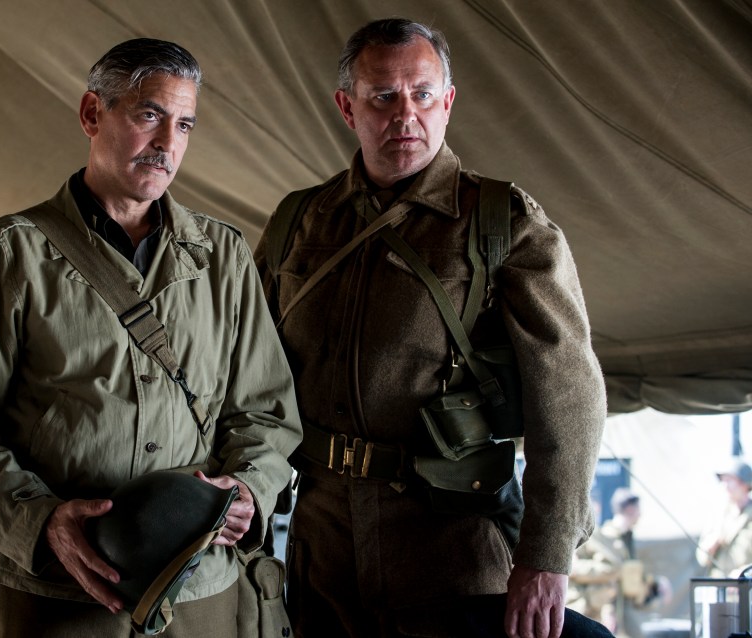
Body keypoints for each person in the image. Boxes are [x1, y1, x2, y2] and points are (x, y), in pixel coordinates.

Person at [0, 38, 302, 637]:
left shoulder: (223, 256)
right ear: (93, 114)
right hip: (60, 594)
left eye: (185, 124)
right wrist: (38, 523)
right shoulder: (11, 253)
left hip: (204, 591)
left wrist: (250, 486)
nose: (168, 143)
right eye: (149, 115)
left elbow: (265, 411)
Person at [255, 18, 609, 638]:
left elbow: (570, 395)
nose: (405, 115)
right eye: (383, 96)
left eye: (422, 94)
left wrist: (546, 555)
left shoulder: (501, 221)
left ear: (447, 102)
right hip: (322, 548)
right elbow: (245, 373)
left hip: (452, 547)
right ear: (347, 107)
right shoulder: (300, 222)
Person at [568, 489, 671, 637]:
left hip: (621, 612)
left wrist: (655, 585)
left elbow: (627, 580)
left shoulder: (627, 540)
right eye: (638, 509)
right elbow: (577, 568)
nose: (640, 514)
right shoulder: (601, 537)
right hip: (592, 610)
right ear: (630, 508)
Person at [696, 459, 752, 578]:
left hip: (746, 587)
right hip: (719, 584)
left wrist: (744, 573)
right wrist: (712, 544)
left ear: (745, 484)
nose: (725, 486)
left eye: (730, 480)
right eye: (723, 481)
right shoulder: (718, 515)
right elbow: (701, 557)